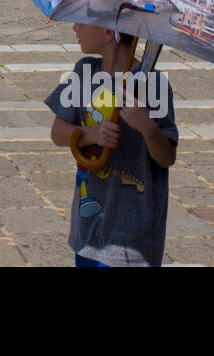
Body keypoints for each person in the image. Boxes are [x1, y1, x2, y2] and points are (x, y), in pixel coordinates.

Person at [45, 22, 178, 267]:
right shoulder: (84, 72)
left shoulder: (152, 84)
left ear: (108, 33)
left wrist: (147, 127)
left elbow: (167, 156)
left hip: (130, 241)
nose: (75, 28)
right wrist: (91, 134)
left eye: (82, 22)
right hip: (87, 231)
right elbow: (57, 132)